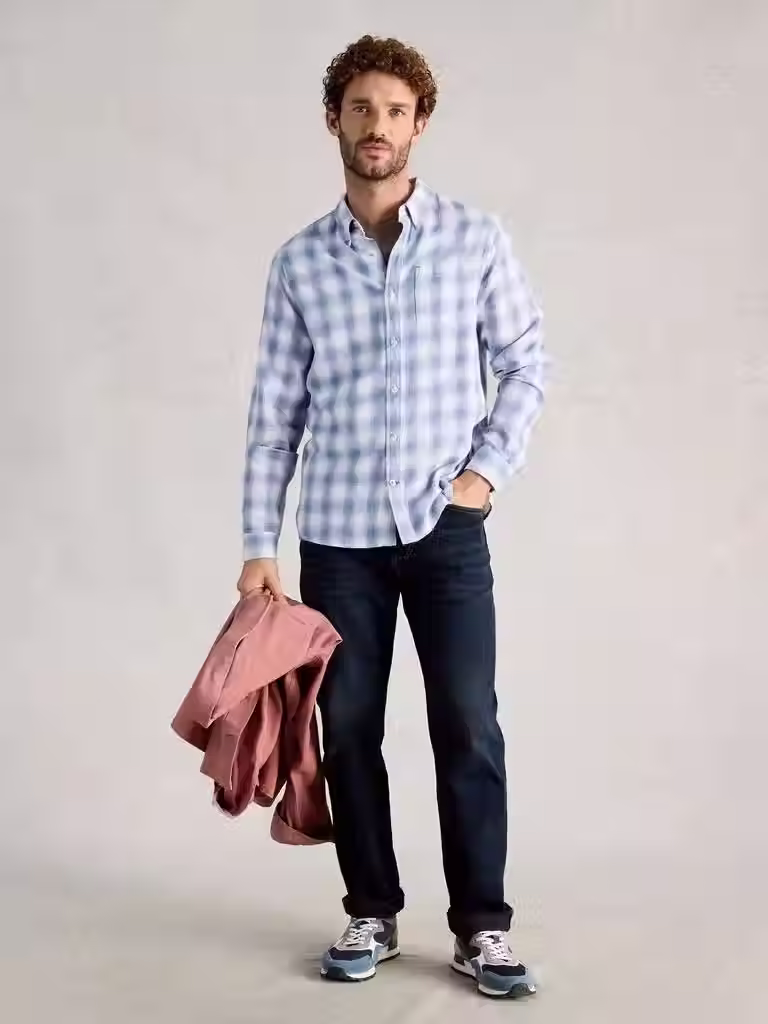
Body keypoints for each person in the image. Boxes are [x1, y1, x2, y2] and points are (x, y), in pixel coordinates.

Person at [237, 35, 546, 999]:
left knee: (468, 723)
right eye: (362, 108)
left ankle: (482, 927)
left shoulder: (474, 240)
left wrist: (484, 475)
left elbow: (526, 362)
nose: (379, 126)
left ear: (421, 124)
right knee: (348, 729)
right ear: (334, 119)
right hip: (337, 540)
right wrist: (257, 544)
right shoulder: (300, 263)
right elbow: (275, 415)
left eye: (396, 110)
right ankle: (370, 909)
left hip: (445, 533)